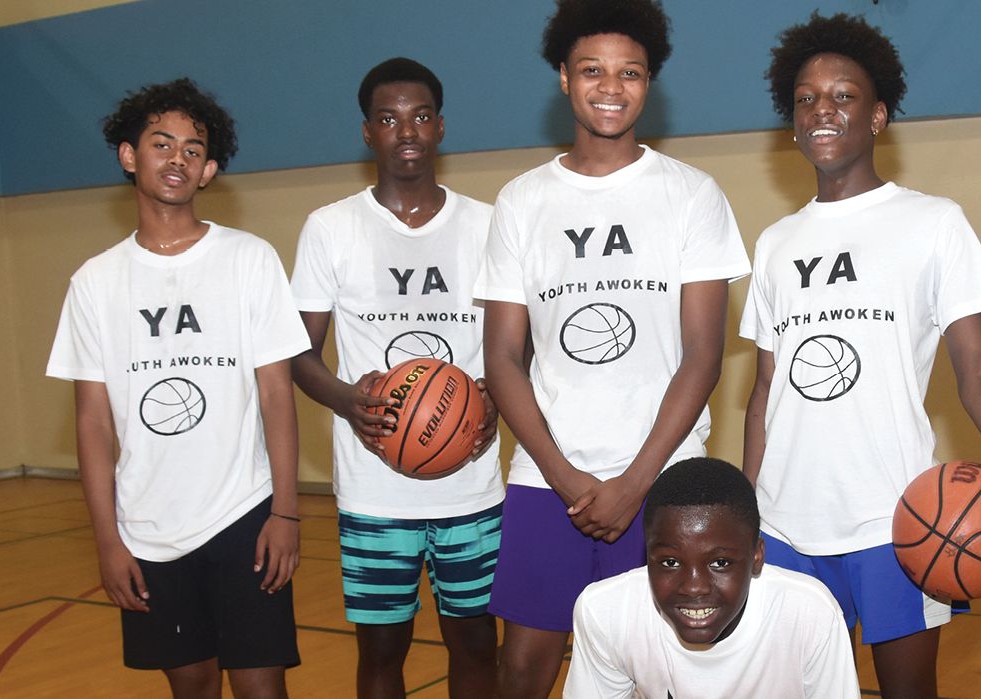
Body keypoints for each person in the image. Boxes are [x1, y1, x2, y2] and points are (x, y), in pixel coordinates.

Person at [742, 13, 981, 698]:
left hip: (898, 520)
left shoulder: (932, 222)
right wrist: (746, 508)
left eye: (843, 95)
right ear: (791, 119)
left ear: (877, 114)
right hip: (785, 521)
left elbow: (976, 373)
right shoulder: (774, 243)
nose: (822, 109)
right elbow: (764, 389)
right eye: (805, 98)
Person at [474, 0, 750, 695]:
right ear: (563, 78)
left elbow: (701, 355)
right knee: (523, 667)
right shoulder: (521, 201)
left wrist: (635, 482)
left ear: (648, 82)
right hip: (548, 482)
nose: (610, 86)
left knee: (667, 670)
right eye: (591, 70)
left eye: (629, 73)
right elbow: (503, 358)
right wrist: (568, 478)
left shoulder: (692, 194)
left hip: (663, 481)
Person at [47, 78, 307, 698]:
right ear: (129, 155)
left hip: (243, 513)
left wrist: (287, 511)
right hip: (147, 528)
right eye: (162, 144)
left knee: (262, 690)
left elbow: (276, 395)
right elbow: (92, 422)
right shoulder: (95, 282)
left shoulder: (249, 258)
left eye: (194, 150)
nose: (178, 159)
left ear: (210, 170)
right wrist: (108, 542)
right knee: (190, 688)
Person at [288, 58, 502, 698]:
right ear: (367, 133)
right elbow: (299, 355)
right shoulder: (330, 228)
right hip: (373, 489)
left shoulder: (489, 224)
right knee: (382, 652)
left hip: (471, 484)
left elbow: (518, 347)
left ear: (440, 127)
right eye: (388, 118)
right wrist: (350, 402)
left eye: (419, 116)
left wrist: (494, 400)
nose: (405, 130)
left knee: (475, 644)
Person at [565, 457, 860, 698]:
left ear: (757, 557)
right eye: (670, 562)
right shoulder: (606, 611)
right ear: (647, 556)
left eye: (720, 563)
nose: (694, 587)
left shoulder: (809, 615)